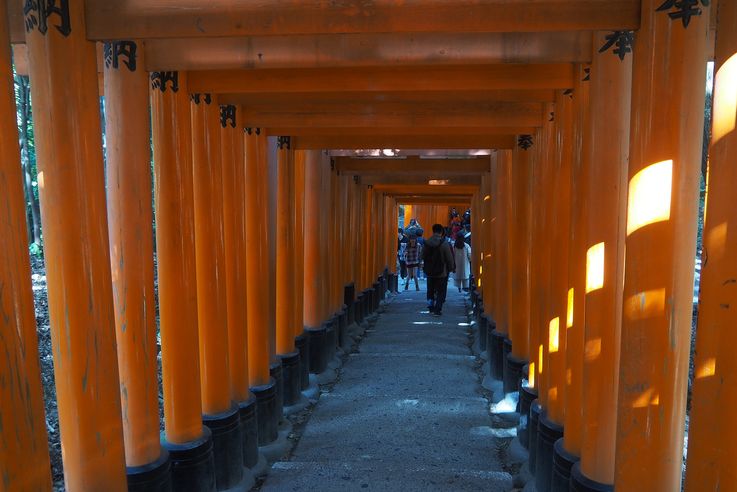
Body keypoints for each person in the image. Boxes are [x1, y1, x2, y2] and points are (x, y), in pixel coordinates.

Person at [422, 224, 455, 316]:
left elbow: (422, 255)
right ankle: (438, 309)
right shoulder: (444, 244)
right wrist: (451, 268)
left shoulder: (427, 242)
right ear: (441, 232)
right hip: (441, 271)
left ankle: (430, 306)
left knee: (430, 290)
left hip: (429, 271)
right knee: (441, 291)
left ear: (433, 231)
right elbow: (449, 258)